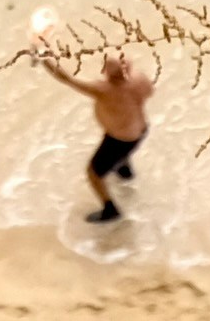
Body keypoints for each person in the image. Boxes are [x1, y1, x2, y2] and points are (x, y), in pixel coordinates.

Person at [24, 30, 157, 223]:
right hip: (141, 130)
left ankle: (110, 209)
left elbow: (66, 78)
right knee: (122, 155)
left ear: (108, 74)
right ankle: (125, 172)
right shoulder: (140, 79)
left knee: (93, 173)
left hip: (119, 139)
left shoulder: (103, 90)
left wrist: (44, 55)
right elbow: (149, 93)